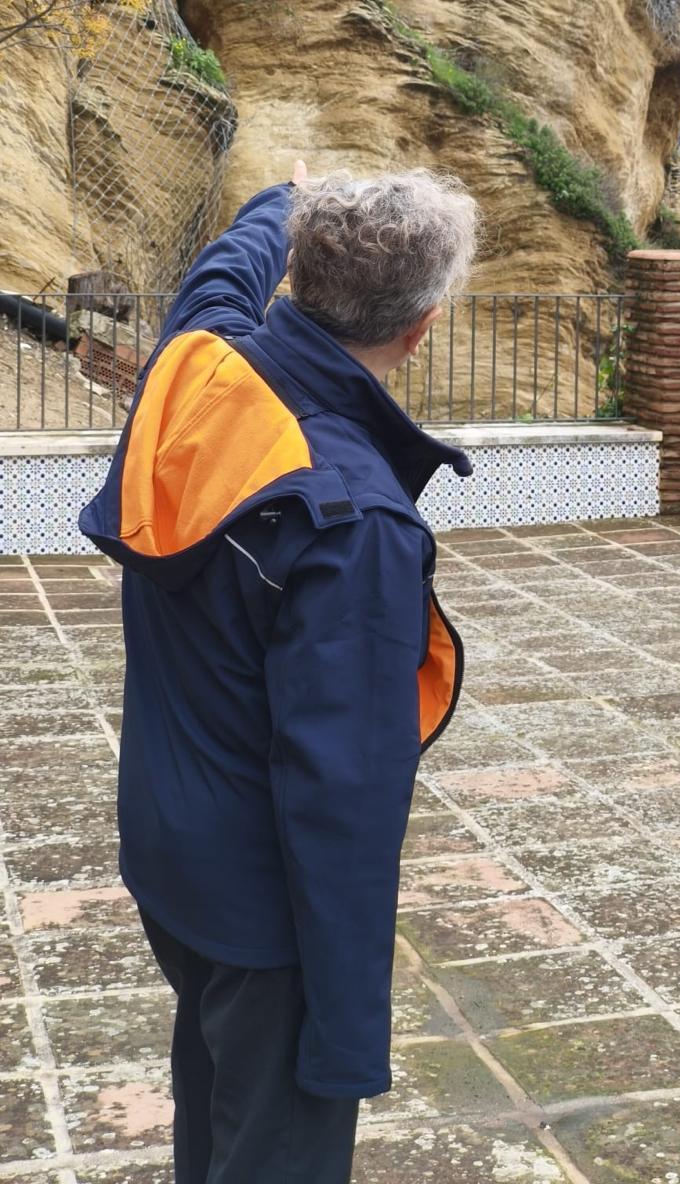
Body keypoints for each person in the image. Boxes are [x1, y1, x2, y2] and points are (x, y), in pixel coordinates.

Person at [80, 162, 478, 1184]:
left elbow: (217, 278)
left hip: (175, 860)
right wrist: (347, 1026)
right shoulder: (354, 522)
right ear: (420, 328)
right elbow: (341, 797)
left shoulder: (197, 371)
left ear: (296, 274)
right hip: (266, 915)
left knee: (216, 1122)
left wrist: (276, 200)